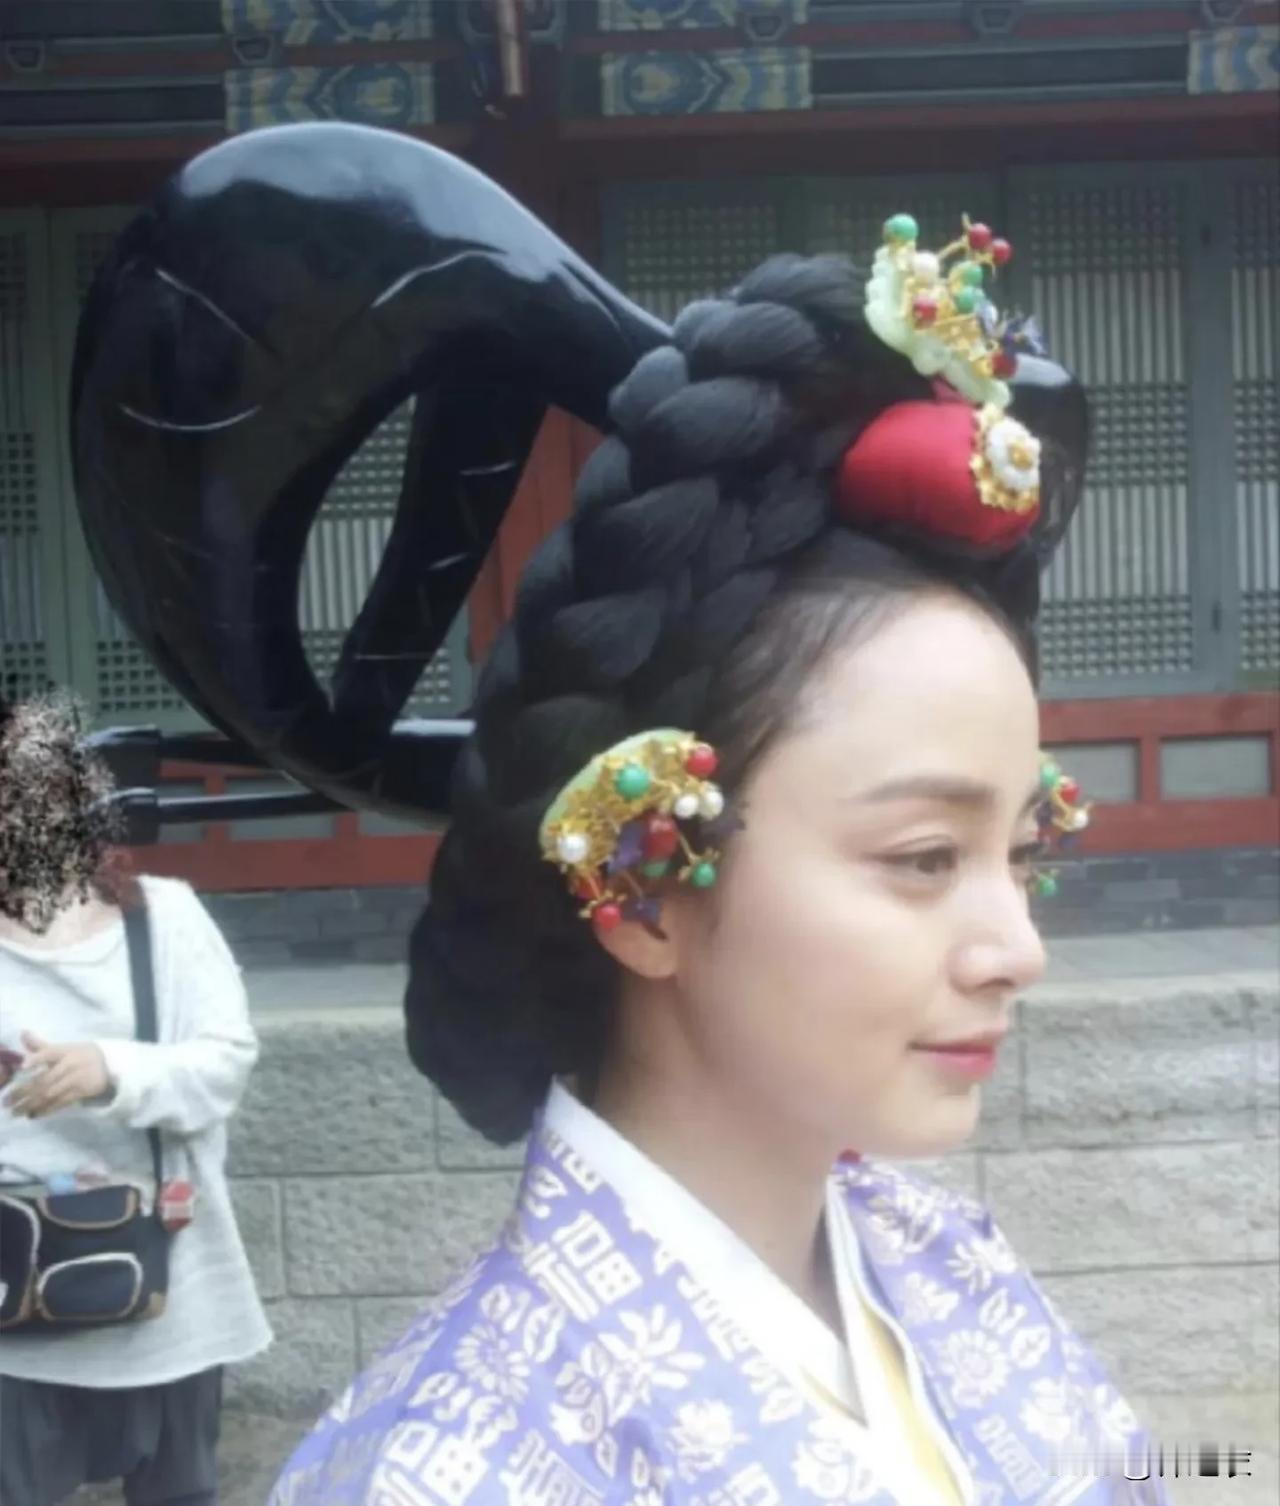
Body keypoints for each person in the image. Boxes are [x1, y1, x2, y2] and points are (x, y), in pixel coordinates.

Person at [243, 199, 1167, 1503]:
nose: (1018, 948)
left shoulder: (939, 1257)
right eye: (923, 856)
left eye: (1020, 850)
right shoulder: (452, 1465)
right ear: (641, 884)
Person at [0, 692, 272, 1506]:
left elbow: (224, 1066)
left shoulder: (165, 918)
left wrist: (109, 1070)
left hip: (170, 1293)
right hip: (14, 1304)